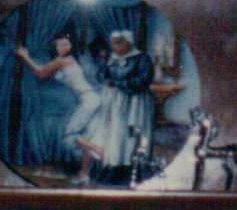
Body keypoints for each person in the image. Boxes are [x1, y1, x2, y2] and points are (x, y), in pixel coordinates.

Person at [15, 33, 105, 184]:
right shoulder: (70, 60)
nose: (64, 47)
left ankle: (100, 151)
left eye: (66, 44)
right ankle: (83, 174)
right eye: (60, 45)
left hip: (88, 100)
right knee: (87, 137)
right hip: (93, 99)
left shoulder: (62, 61)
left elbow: (41, 73)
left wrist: (25, 56)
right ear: (55, 47)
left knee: (69, 137)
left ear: (71, 45)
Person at [95, 29, 155, 169]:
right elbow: (101, 74)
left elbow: (143, 80)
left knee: (131, 135)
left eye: (118, 43)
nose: (115, 46)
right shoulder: (113, 58)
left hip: (135, 102)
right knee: (115, 133)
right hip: (115, 101)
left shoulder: (142, 58)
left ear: (129, 43)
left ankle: (132, 165)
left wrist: (118, 83)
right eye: (113, 43)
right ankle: (115, 163)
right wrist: (105, 77)